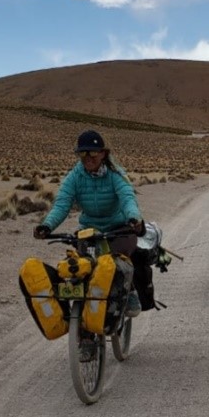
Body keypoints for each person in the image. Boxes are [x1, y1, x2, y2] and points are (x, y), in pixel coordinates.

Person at [33, 129, 145, 323]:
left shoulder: (115, 174)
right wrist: (47, 226)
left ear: (103, 153)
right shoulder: (75, 176)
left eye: (93, 153)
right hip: (89, 229)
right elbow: (62, 204)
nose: (88, 158)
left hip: (118, 227)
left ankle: (130, 293)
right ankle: (83, 330)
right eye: (82, 153)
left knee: (120, 260)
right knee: (82, 268)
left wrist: (133, 219)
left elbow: (127, 197)